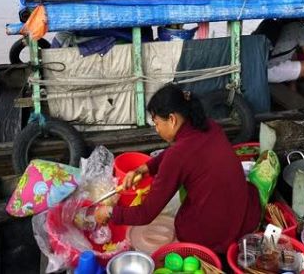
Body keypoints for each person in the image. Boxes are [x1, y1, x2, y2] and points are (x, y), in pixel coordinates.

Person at [95, 84, 261, 253]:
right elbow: (179, 151)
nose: (156, 129)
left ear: (172, 119)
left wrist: (110, 212)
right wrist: (144, 168)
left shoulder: (177, 157)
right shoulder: (210, 127)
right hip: (244, 213)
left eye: (156, 122)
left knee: (183, 224)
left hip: (217, 232)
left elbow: (146, 214)